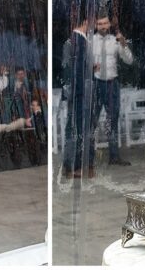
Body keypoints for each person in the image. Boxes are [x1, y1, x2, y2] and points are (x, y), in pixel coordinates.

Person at [89, 13, 134, 167]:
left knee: (112, 120)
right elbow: (82, 63)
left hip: (111, 85)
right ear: (96, 25)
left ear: (109, 25)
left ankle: (114, 157)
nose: (103, 26)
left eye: (105, 23)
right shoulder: (90, 41)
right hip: (96, 84)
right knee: (92, 120)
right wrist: (91, 67)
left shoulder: (115, 41)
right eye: (100, 24)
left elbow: (129, 60)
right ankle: (88, 158)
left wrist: (123, 44)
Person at [61, 12, 93, 179]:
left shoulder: (74, 41)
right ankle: (74, 165)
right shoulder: (78, 41)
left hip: (76, 92)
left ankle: (71, 165)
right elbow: (73, 70)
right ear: (86, 22)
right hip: (79, 92)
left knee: (74, 129)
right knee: (77, 129)